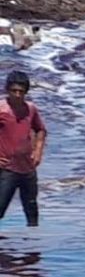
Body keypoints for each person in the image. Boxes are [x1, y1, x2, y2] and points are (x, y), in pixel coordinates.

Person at [0, 71, 46, 227]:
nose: (18, 95)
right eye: (14, 91)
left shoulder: (31, 109)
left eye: (21, 91)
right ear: (8, 90)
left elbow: (40, 130)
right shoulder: (2, 109)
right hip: (7, 169)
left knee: (32, 211)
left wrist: (38, 151)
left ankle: (32, 249)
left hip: (28, 168)